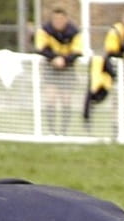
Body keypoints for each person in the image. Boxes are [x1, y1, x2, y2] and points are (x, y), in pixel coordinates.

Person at [35, 6, 83, 136]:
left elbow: (77, 51)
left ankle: (63, 132)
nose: (58, 22)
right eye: (55, 19)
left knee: (66, 99)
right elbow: (41, 48)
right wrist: (54, 59)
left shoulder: (74, 31)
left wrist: (65, 60)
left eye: (61, 19)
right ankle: (51, 131)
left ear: (66, 19)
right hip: (51, 67)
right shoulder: (45, 30)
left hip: (68, 69)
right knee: (51, 98)